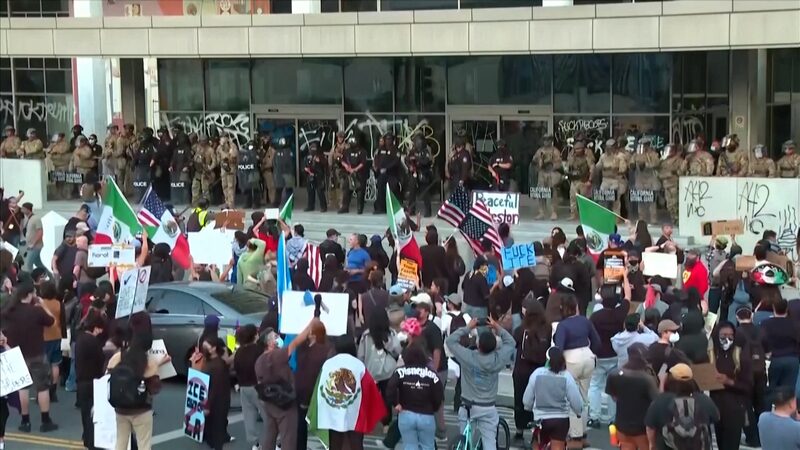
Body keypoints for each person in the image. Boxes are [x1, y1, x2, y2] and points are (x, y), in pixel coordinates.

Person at [446, 317, 515, 450]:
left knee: (465, 440)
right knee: (489, 442)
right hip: (487, 407)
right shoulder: (497, 359)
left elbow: (450, 341)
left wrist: (468, 328)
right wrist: (497, 327)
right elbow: (510, 342)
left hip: (467, 405)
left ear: (478, 345)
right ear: (495, 347)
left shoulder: (467, 356)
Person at [309, 336, 385, 450]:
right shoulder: (358, 365)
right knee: (356, 443)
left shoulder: (328, 364)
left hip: (332, 410)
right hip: (355, 412)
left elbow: (320, 387)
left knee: (335, 443)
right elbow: (369, 388)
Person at [1, 283, 58, 432]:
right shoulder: (36, 311)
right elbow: (52, 322)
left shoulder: (9, 311)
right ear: (29, 295)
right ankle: (45, 420)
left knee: (23, 388)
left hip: (17, 354)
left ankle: (25, 421)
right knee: (42, 387)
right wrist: (43, 305)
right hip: (37, 353)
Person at [107, 328, 167, 450]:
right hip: (141, 409)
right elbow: (154, 389)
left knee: (121, 442)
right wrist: (159, 364)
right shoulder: (149, 362)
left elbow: (108, 374)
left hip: (120, 408)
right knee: (144, 444)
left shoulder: (118, 357)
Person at [255, 324, 312, 450]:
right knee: (288, 437)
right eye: (275, 337)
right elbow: (295, 343)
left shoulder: (259, 361)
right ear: (270, 343)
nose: (278, 338)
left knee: (270, 434)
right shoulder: (276, 356)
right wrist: (309, 326)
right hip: (285, 402)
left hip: (269, 402)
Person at [552, 295, 599, 447]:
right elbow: (597, 342)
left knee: (571, 399)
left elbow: (559, 348)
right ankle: (583, 434)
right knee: (584, 398)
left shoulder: (563, 325)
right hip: (588, 356)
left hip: (571, 359)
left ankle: (575, 436)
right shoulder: (585, 321)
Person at [587, 279, 631, 429]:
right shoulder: (620, 314)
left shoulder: (595, 317)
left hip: (598, 355)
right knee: (614, 388)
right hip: (615, 355)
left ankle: (594, 417)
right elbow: (628, 297)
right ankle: (613, 419)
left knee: (594, 386)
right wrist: (625, 276)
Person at [522, 347, 584, 450]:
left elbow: (527, 400)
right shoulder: (566, 376)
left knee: (537, 443)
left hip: (541, 419)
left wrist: (528, 407)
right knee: (558, 446)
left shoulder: (537, 373)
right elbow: (575, 400)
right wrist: (578, 412)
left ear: (547, 359)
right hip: (560, 420)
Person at [385, 341, 443, 450]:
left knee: (410, 446)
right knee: (428, 446)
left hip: (406, 414)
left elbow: (390, 388)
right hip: (426, 415)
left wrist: (395, 404)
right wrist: (434, 408)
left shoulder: (400, 371)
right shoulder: (432, 374)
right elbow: (438, 394)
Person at [708, 321, 752, 450]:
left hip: (735, 408)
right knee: (721, 443)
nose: (727, 338)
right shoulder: (712, 354)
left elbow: (748, 385)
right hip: (717, 406)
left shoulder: (741, 356)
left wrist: (729, 382)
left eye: (730, 335)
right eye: (723, 335)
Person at [605, 343, 659, 450]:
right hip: (642, 428)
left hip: (621, 425)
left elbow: (614, 397)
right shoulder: (647, 379)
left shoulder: (614, 374)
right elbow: (656, 402)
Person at [512, 297, 551, 441]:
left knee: (520, 400)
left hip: (521, 370)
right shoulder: (547, 328)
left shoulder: (522, 329)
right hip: (540, 370)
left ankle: (519, 430)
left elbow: (514, 340)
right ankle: (537, 431)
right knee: (538, 401)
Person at [358, 309, 401, 428]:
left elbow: (361, 355)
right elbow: (398, 350)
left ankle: (368, 421)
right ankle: (386, 423)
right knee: (387, 397)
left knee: (369, 397)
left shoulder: (366, 336)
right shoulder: (391, 334)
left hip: (370, 371)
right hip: (388, 371)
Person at [295, 320, 330, 450]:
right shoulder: (327, 349)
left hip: (302, 390)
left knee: (300, 426)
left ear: (312, 334)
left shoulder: (302, 349)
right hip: (318, 390)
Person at [736, 307, 768, 447]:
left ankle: (752, 437)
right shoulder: (761, 330)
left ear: (737, 317)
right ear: (751, 316)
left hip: (744, 373)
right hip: (760, 370)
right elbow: (768, 350)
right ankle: (763, 435)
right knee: (761, 404)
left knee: (746, 405)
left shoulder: (737, 332)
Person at [74, 312, 106, 450]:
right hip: (93, 381)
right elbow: (100, 361)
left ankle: (87, 439)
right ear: (96, 327)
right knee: (93, 416)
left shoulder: (80, 338)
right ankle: (93, 442)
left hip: (81, 382)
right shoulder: (94, 342)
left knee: (85, 414)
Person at [233, 324, 266, 450]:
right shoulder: (259, 350)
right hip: (258, 387)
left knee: (249, 416)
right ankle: (275, 441)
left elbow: (236, 369)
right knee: (267, 415)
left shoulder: (239, 352)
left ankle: (255, 443)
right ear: (255, 335)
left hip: (244, 388)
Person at [761, 298, 800, 393]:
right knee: (789, 391)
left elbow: (762, 339)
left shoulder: (766, 324)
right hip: (792, 359)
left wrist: (766, 352)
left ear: (773, 308)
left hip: (774, 359)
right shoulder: (795, 324)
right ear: (787, 308)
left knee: (771, 389)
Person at [202, 337, 232, 450]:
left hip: (216, 403)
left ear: (213, 348)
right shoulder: (215, 362)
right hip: (217, 401)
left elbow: (214, 388)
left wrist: (207, 405)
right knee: (214, 429)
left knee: (216, 429)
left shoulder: (217, 365)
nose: (204, 347)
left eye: (206, 345)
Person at [39, 282, 65, 403]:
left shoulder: (40, 304)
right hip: (57, 335)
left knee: (44, 365)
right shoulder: (59, 303)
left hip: (43, 337)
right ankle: (53, 391)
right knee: (55, 364)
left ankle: (43, 390)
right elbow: (62, 321)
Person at [532, 135, 561, 220]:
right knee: (541, 192)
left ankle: (553, 212)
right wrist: (539, 164)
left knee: (553, 193)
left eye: (548, 140)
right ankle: (542, 212)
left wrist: (552, 165)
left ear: (551, 141)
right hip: (542, 173)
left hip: (551, 173)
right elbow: (534, 160)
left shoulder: (555, 151)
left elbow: (559, 163)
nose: (546, 141)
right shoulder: (540, 150)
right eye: (545, 140)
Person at [461, 256, 492, 320]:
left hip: (467, 307)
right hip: (479, 310)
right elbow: (487, 295)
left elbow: (463, 287)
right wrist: (495, 286)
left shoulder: (468, 274)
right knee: (481, 326)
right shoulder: (481, 278)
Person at [303, 142, 328, 212]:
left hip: (319, 175)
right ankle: (310, 206)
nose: (313, 150)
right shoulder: (308, 156)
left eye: (314, 148)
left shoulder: (320, 156)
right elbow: (305, 164)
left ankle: (323, 207)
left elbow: (325, 164)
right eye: (312, 148)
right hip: (310, 175)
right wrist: (305, 169)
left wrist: (320, 161)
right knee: (310, 191)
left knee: (320, 191)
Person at [21, 202, 45, 273]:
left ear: (28, 209)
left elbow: (40, 232)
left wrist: (33, 243)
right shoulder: (28, 219)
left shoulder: (36, 219)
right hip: (30, 245)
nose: (22, 210)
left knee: (29, 264)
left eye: (23, 208)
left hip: (35, 246)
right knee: (38, 263)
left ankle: (31, 279)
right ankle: (48, 275)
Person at [216, 134, 239, 207]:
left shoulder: (232, 146)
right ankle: (226, 201)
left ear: (226, 138)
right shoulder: (219, 147)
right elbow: (218, 158)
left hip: (231, 168)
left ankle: (231, 203)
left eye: (223, 138)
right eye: (221, 138)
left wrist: (227, 157)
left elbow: (234, 156)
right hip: (223, 168)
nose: (221, 140)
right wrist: (221, 162)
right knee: (224, 185)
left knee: (230, 186)